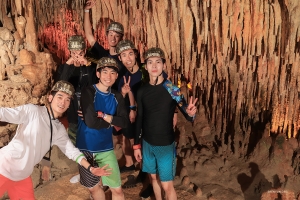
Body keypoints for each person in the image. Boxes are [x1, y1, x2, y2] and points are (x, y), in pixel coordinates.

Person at [0, 80, 112, 199]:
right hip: (3, 167)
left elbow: (72, 152)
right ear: (50, 98)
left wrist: (91, 168)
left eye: (68, 99)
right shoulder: (32, 112)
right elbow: (5, 113)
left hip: (22, 176)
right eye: (60, 96)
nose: (63, 102)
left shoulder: (58, 129)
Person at [133, 47, 198, 200]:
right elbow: (139, 118)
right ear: (146, 66)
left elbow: (186, 112)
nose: (154, 66)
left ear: (163, 65)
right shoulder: (142, 91)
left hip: (165, 145)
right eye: (150, 62)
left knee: (167, 185)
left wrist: (190, 114)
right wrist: (136, 145)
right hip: (147, 143)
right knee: (153, 178)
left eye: (158, 62)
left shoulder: (172, 89)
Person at [76, 57, 128, 200]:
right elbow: (91, 122)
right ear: (98, 74)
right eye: (104, 72)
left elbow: (124, 122)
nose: (108, 76)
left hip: (105, 149)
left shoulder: (117, 96)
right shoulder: (88, 92)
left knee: (117, 190)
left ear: (116, 76)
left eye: (112, 73)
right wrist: (111, 122)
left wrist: (103, 116)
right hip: (85, 148)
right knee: (94, 189)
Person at [54, 35, 97, 145]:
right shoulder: (65, 68)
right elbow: (60, 86)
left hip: (88, 110)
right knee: (73, 139)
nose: (77, 56)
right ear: (69, 52)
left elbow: (94, 85)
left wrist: (87, 64)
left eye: (80, 53)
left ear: (85, 51)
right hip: (72, 111)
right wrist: (68, 64)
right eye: (74, 53)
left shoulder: (91, 67)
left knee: (90, 140)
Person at [84, 0, 127, 90]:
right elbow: (88, 34)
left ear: (121, 38)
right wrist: (86, 10)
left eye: (117, 36)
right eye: (111, 34)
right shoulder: (102, 53)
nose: (113, 38)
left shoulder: (124, 57)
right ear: (106, 35)